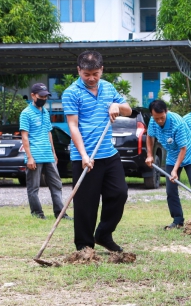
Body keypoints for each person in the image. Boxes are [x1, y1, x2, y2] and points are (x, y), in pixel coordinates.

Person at [62, 50, 132, 251]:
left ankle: (103, 233)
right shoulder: (71, 93)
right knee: (86, 204)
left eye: (95, 73)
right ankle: (84, 246)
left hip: (108, 154)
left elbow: (128, 110)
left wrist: (115, 105)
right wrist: (84, 155)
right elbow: (73, 126)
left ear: (102, 70)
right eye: (86, 74)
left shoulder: (109, 88)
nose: (91, 78)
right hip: (84, 156)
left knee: (119, 193)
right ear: (79, 70)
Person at [145, 100, 191, 229]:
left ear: (166, 112)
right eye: (156, 118)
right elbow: (149, 136)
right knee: (170, 189)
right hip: (172, 156)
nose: (159, 121)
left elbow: (183, 149)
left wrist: (175, 170)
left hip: (190, 154)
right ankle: (178, 220)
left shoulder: (177, 122)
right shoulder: (153, 121)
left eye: (162, 117)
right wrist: (150, 155)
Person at [20, 83, 71, 220]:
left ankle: (60, 213)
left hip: (48, 155)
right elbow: (24, 136)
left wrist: (54, 153)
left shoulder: (46, 112)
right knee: (34, 188)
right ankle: (38, 214)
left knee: (57, 185)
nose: (44, 98)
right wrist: (29, 157)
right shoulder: (26, 113)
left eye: (45, 96)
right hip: (35, 156)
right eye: (41, 96)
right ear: (33, 96)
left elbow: (49, 133)